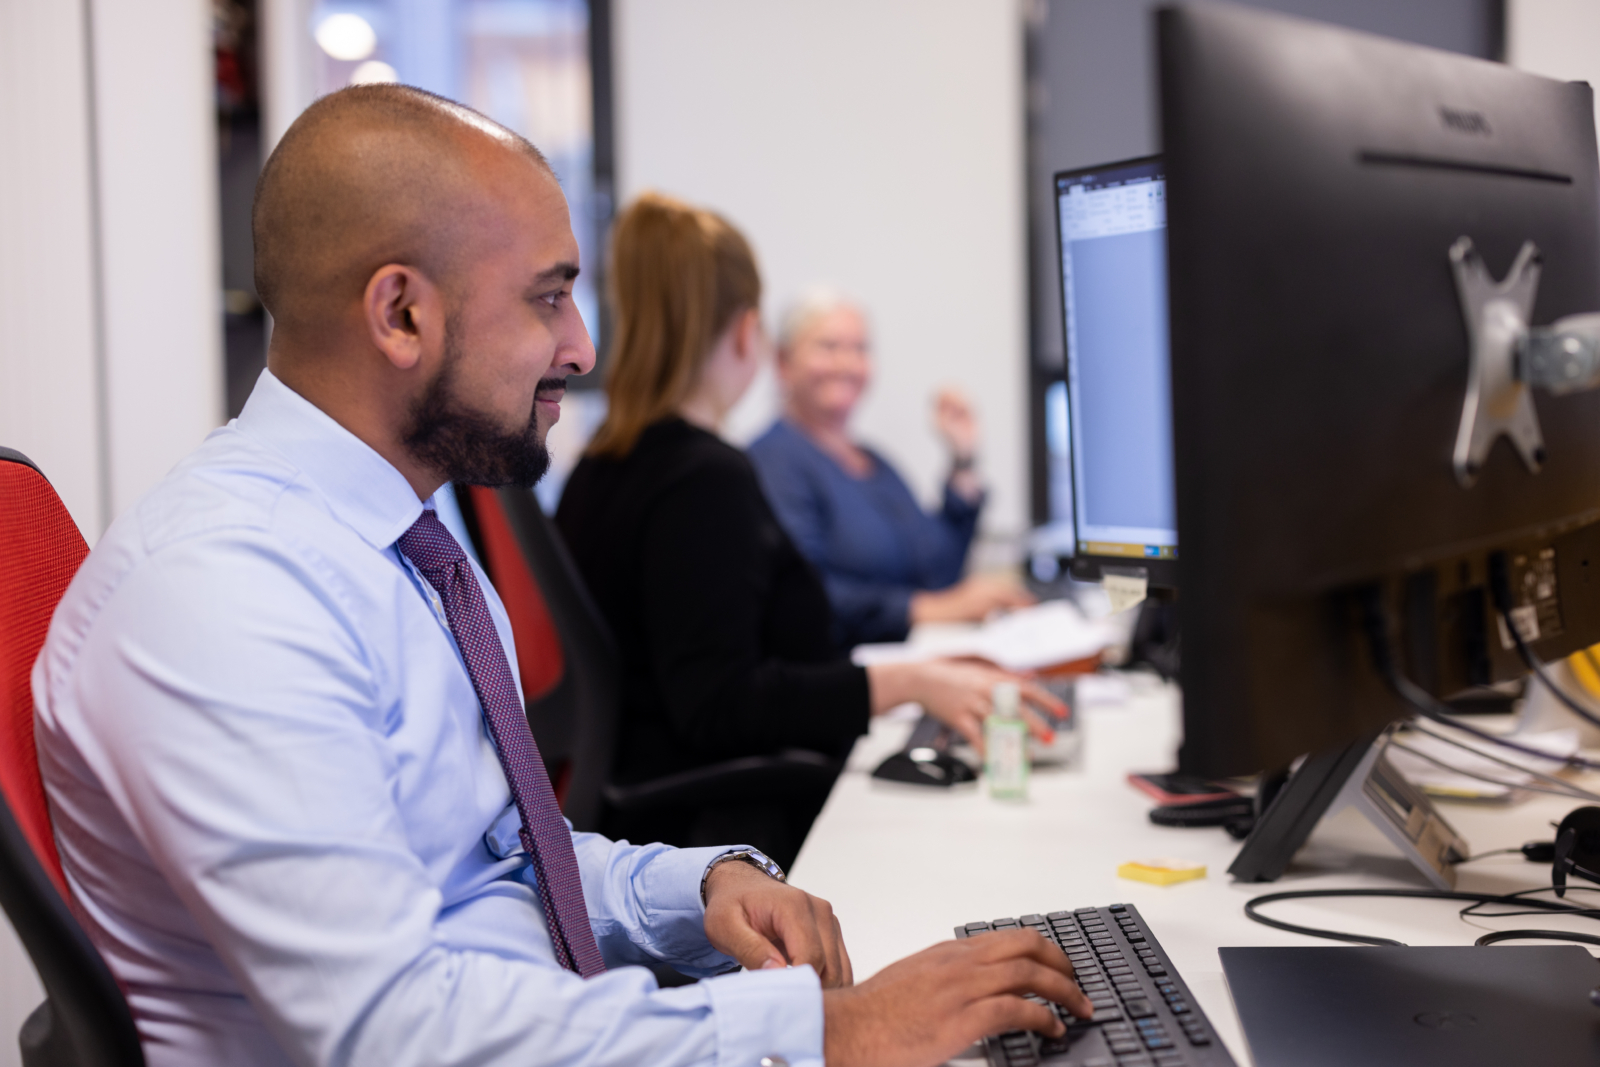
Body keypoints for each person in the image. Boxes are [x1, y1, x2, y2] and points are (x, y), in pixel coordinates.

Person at [32, 86, 1088, 1067]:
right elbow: (397, 1032)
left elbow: (499, 857)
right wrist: (815, 1030)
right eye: (548, 299)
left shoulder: (397, 547)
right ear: (400, 314)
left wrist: (696, 882)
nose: (581, 349)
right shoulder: (227, 594)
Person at [555, 194, 1062, 867]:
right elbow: (722, 703)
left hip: (652, 821)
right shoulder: (705, 478)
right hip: (717, 833)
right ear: (750, 337)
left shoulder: (603, 468)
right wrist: (909, 684)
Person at [748, 290, 1034, 647]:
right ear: (783, 361)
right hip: (841, 680)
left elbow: (938, 570)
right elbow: (801, 594)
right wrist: (926, 609)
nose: (847, 363)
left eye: (860, 349)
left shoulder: (874, 462)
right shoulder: (773, 461)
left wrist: (963, 459)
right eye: (828, 346)